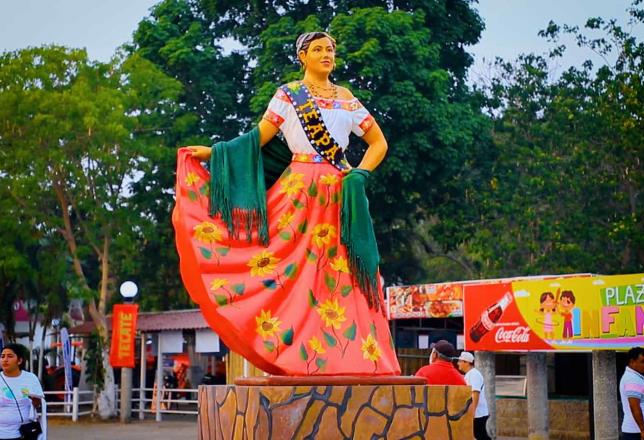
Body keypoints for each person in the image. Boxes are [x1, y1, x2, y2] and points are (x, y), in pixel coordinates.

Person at [173, 31, 400, 376]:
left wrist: (361, 174)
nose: (327, 55)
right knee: (289, 271)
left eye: (331, 50)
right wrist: (214, 153)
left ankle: (354, 357)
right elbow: (259, 137)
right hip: (298, 192)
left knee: (341, 278)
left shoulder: (346, 98)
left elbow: (378, 143)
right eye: (319, 49)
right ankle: (295, 354)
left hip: (338, 195)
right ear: (303, 56)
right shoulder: (289, 94)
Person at [0, 343, 45, 440]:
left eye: (10, 356)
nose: (5, 360)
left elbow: (38, 405)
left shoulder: (31, 379)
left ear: (19, 360)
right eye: (2, 357)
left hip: (23, 435)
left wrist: (35, 401)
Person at [456, 351, 491, 440]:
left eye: (460, 361)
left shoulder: (474, 374)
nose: (458, 363)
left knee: (480, 436)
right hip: (477, 412)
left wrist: (472, 412)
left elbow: (475, 393)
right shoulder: (469, 374)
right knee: (479, 435)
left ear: (467, 362)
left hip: (478, 413)